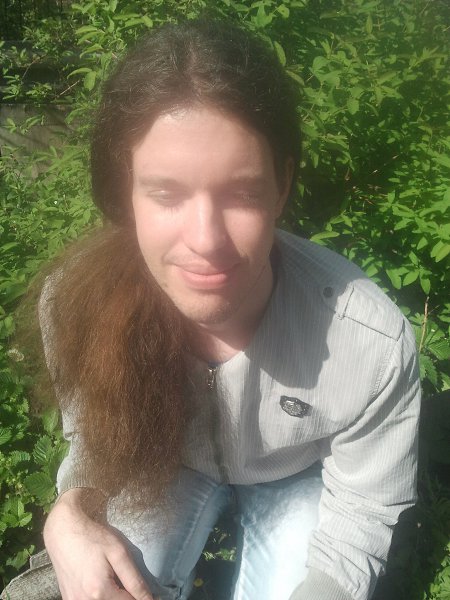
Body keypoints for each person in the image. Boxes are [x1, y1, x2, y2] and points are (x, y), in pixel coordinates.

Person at [40, 18, 421, 600]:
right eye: (166, 193)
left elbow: (365, 510)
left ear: (281, 185)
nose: (206, 241)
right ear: (126, 189)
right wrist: (71, 510)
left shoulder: (370, 343)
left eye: (242, 193)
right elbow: (92, 438)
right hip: (164, 466)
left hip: (298, 478)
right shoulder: (75, 304)